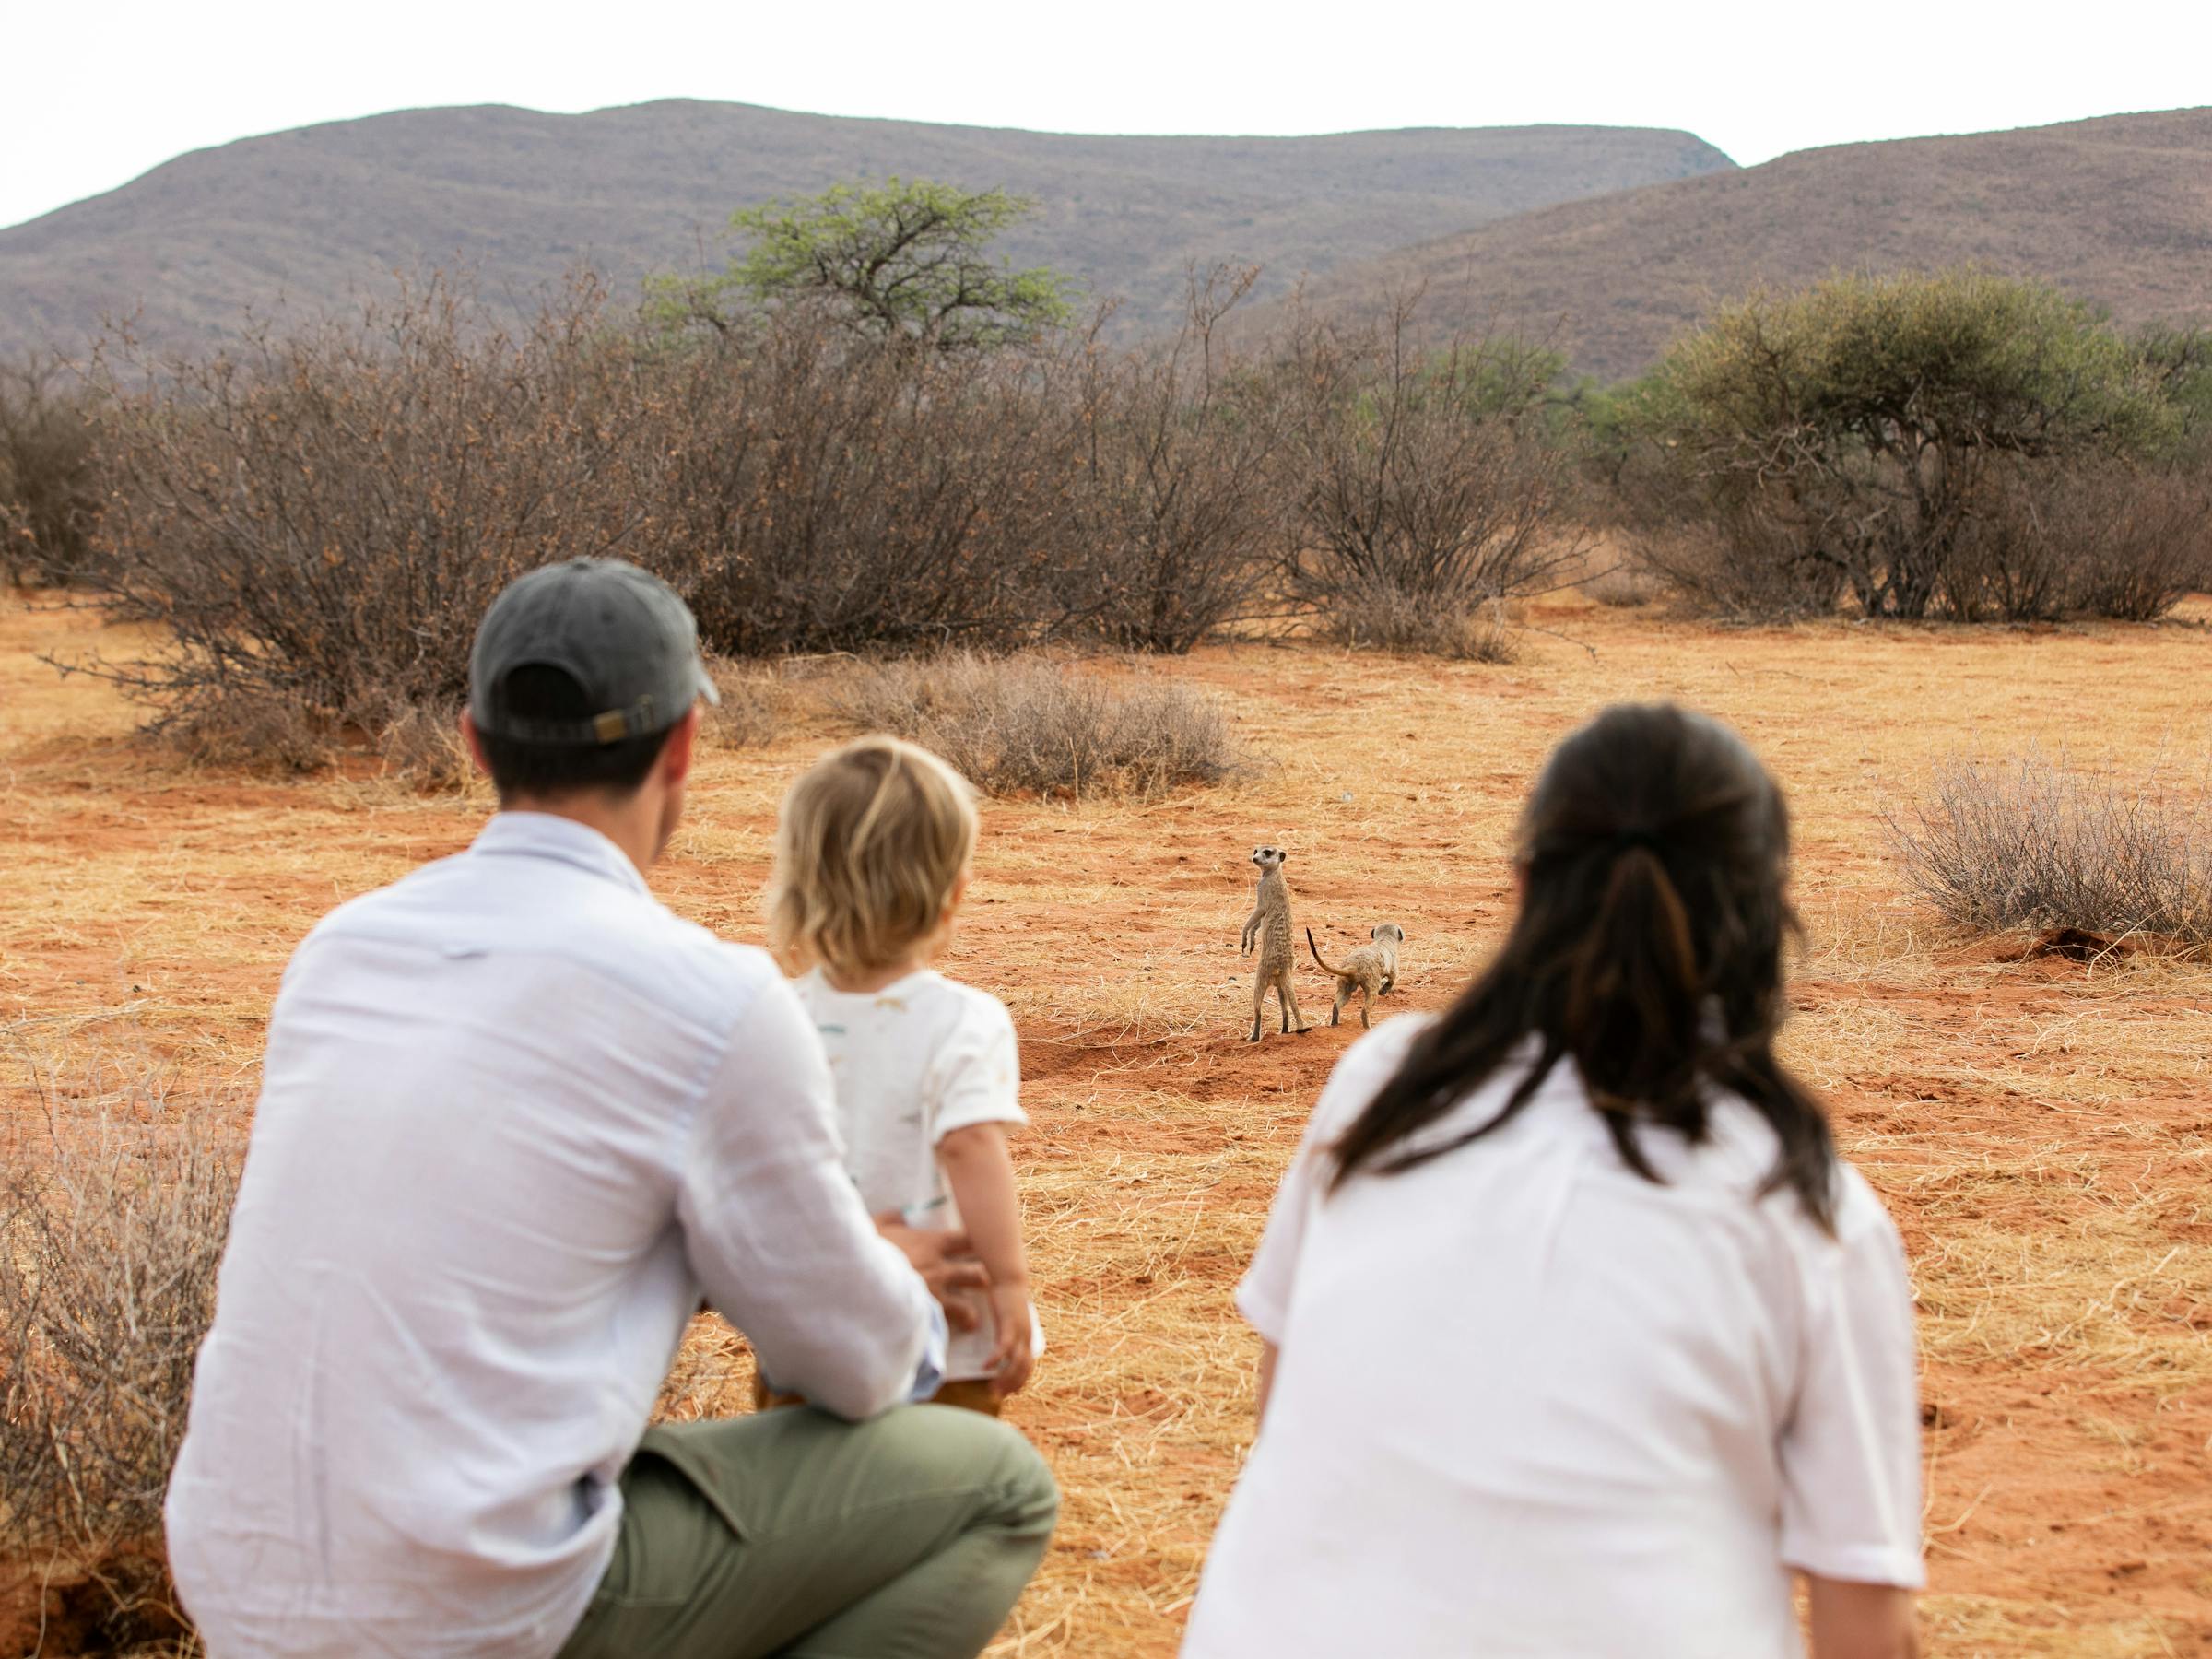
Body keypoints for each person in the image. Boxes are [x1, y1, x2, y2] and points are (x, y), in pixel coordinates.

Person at [164, 559, 1058, 1659]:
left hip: (238, 1585)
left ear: (475, 742)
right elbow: (861, 1362)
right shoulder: (711, 999)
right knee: (1003, 1488)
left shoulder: (339, 951)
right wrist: (874, 1271)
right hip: (483, 1610)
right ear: (683, 746)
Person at [1182, 703, 1924, 1659]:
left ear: (1525, 886)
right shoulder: (1813, 1211)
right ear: (1765, 915)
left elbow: (1286, 1416)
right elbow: (1868, 1624)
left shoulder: (1385, 1085)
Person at [759, 735, 1041, 1414]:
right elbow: (971, 1144)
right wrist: (1009, 1283)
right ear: (953, 894)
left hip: (809, 1331)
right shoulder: (965, 1020)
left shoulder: (770, 1016)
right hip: (945, 1334)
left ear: (798, 887)